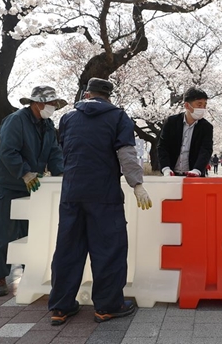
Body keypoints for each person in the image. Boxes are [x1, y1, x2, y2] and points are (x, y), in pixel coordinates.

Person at [48, 78, 153, 325]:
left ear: (86, 94)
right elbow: (126, 153)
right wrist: (137, 184)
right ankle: (107, 306)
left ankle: (61, 307)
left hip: (72, 193)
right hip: (104, 194)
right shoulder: (118, 117)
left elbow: (65, 150)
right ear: (108, 96)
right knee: (108, 250)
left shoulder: (67, 118)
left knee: (67, 250)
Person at [0, 85, 66, 297]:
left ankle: (29, 272)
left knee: (31, 232)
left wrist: (61, 175)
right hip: (8, 185)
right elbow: (7, 151)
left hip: (35, 186)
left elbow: (54, 152)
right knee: (3, 232)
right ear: (37, 103)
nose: (53, 108)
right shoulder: (16, 121)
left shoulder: (48, 125)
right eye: (50, 104)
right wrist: (24, 172)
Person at [157, 87, 213, 177]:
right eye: (199, 104)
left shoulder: (206, 127)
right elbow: (162, 146)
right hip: (172, 175)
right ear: (187, 105)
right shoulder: (171, 122)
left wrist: (197, 170)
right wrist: (166, 169)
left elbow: (206, 150)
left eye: (204, 105)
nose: (203, 108)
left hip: (194, 176)